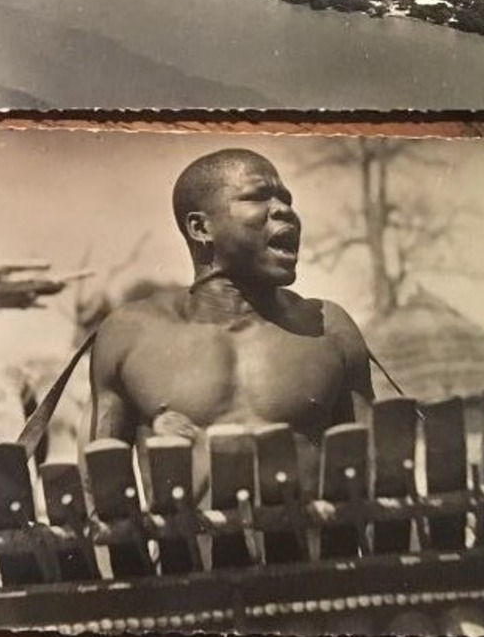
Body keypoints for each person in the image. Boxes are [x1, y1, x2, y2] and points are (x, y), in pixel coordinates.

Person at [88, 148, 374, 493]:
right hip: (187, 548)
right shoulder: (130, 334)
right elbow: (102, 489)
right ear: (200, 227)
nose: (286, 210)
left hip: (318, 547)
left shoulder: (327, 326)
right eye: (258, 197)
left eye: (286, 199)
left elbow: (374, 471)